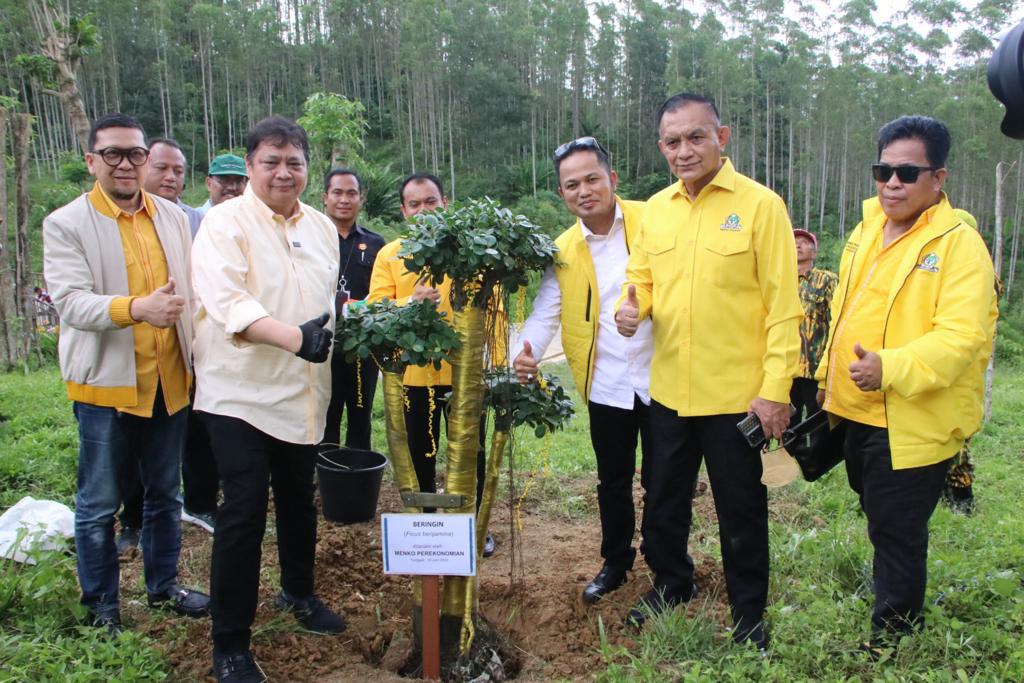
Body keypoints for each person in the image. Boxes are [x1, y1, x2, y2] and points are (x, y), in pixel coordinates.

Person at [615, 93, 802, 647]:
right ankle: (673, 582)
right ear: (661, 147)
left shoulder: (761, 206)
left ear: (721, 137)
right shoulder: (657, 209)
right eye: (673, 141)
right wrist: (634, 307)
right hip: (670, 391)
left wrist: (774, 391)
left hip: (735, 397)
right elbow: (641, 280)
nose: (684, 150)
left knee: (740, 510)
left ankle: (748, 612)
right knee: (664, 502)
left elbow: (783, 307)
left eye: (696, 137)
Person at [815, 116, 997, 652]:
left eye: (906, 172)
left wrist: (889, 367)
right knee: (878, 514)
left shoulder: (961, 246)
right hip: (853, 410)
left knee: (897, 531)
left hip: (909, 419)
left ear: (938, 178)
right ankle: (893, 603)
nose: (891, 182)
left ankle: (893, 638)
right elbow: (846, 309)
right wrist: (829, 377)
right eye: (883, 170)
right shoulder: (867, 228)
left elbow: (962, 338)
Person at [42, 113, 210, 635]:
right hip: (106, 387)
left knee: (165, 495)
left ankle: (162, 587)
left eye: (135, 153)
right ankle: (102, 608)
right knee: (98, 505)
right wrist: (137, 308)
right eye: (112, 153)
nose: (125, 164)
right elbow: (71, 303)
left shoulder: (172, 217)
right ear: (92, 160)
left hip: (168, 381)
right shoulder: (67, 223)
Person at [192, 116, 345, 682]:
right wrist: (295, 339)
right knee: (245, 510)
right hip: (239, 392)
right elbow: (228, 301)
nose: (284, 173)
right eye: (271, 162)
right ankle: (230, 642)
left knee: (301, 501)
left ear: (306, 167)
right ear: (251, 166)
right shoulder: (223, 225)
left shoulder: (323, 228)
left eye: (294, 162)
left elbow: (330, 306)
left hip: (304, 391)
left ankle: (298, 595)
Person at [512, 136, 654, 604]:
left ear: (612, 179)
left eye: (592, 178)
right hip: (606, 380)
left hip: (664, 376)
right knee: (612, 479)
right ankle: (616, 561)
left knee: (664, 477)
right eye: (572, 184)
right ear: (562, 194)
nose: (584, 190)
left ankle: (663, 560)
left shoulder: (654, 221)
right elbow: (545, 310)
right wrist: (525, 348)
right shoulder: (563, 249)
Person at [367, 172, 495, 557]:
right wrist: (411, 305)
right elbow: (374, 309)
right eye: (415, 204)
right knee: (421, 450)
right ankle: (427, 525)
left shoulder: (471, 253)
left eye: (431, 202)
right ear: (404, 211)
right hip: (414, 376)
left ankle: (473, 526)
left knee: (470, 450)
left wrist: (494, 363)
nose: (424, 210)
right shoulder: (391, 255)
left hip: (463, 373)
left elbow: (493, 310)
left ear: (446, 203)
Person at [321, 168, 385, 451]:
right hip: (321, 343)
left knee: (361, 414)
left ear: (361, 198)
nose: (344, 199)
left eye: (351, 193)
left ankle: (358, 480)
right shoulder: (311, 239)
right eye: (337, 192)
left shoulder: (374, 243)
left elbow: (384, 293)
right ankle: (326, 477)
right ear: (325, 197)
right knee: (326, 414)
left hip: (363, 346)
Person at [792, 228, 837, 420]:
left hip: (815, 367)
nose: (798, 244)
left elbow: (838, 319)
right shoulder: (779, 279)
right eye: (794, 241)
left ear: (814, 252)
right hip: (786, 368)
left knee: (816, 422)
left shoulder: (826, 279)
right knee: (786, 423)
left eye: (804, 242)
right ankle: (789, 451)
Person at [144, 138, 204, 236]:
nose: (170, 177)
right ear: (143, 168)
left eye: (178, 171)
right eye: (161, 168)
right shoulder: (128, 215)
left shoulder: (197, 220)